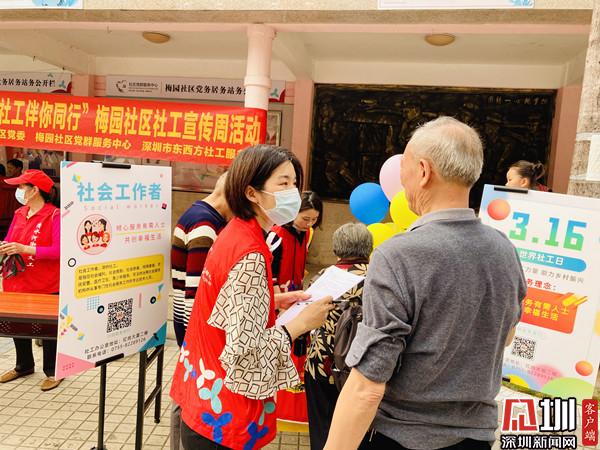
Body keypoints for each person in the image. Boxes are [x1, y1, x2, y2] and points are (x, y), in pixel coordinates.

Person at [324, 117, 527, 450]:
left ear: (422, 171)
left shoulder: (398, 255)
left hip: (402, 438)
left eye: (402, 168)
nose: (401, 181)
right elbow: (505, 336)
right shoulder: (504, 250)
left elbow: (368, 386)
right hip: (475, 437)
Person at [170, 145, 334, 450]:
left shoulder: (234, 232)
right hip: (224, 417)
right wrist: (301, 324)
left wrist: (271, 300)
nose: (293, 192)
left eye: (295, 183)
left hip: (203, 399)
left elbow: (224, 304)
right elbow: (247, 352)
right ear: (251, 193)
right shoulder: (251, 252)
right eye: (283, 183)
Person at [170, 172, 231, 450]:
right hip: (194, 329)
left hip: (189, 327)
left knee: (186, 394)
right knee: (189, 399)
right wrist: (199, 341)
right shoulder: (205, 226)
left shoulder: (199, 214)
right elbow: (197, 293)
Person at [305, 222, 372, 450]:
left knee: (322, 427)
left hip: (322, 363)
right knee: (358, 430)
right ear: (369, 247)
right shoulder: (380, 278)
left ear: (336, 248)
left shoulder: (324, 277)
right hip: (362, 365)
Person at [0, 169, 63, 392]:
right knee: (18, 325)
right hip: (16, 281)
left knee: (48, 331)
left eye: (20, 186)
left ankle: (53, 371)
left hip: (45, 284)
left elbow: (59, 250)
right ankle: (24, 365)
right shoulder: (19, 213)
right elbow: (10, 239)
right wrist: (5, 246)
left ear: (35, 190)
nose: (17, 191)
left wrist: (24, 248)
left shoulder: (55, 215)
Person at [268, 190, 323, 425]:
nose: (309, 224)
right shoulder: (276, 235)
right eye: (305, 218)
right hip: (278, 303)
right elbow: (269, 274)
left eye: (314, 220)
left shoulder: (306, 234)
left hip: (296, 299)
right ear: (293, 213)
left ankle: (292, 404)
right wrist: (279, 301)